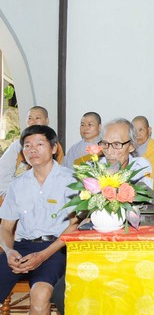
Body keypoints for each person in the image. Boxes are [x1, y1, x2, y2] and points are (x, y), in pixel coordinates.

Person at [0, 125, 77, 315]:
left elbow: (74, 226)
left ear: (54, 148)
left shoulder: (71, 180)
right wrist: (9, 251)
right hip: (21, 249)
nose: (32, 149)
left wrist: (42, 256)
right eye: (27, 145)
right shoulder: (17, 184)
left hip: (56, 249)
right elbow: (6, 227)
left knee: (40, 295)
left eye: (39, 144)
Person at [0, 106, 64, 199]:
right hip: (18, 193)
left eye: (37, 118)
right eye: (29, 118)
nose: (32, 122)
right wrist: (6, 192)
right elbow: (3, 170)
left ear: (46, 121)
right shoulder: (18, 145)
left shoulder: (54, 146)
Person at [99, 118, 153, 188]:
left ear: (131, 146)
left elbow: (147, 193)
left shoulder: (141, 166)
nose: (109, 152)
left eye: (116, 144)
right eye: (105, 143)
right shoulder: (94, 168)